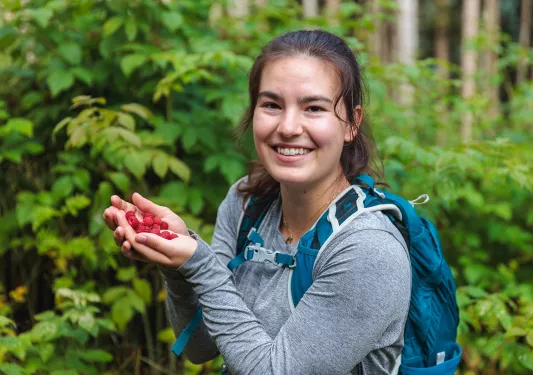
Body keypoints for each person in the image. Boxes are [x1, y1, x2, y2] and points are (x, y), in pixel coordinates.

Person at [103, 30, 411, 375]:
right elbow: (199, 345)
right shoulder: (246, 204)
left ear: (352, 123)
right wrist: (175, 263)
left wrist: (199, 263)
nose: (288, 126)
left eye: (313, 108)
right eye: (271, 105)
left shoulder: (367, 249)